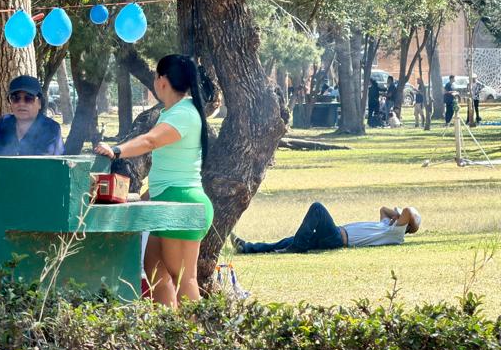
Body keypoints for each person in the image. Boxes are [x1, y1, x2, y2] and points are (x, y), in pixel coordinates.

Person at [94, 54, 214, 307]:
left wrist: (115, 151)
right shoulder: (172, 112)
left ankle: (202, 341)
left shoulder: (184, 113)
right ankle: (167, 332)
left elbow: (151, 141)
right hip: (167, 203)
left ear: (162, 80)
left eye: (156, 76)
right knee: (154, 269)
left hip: (182, 205)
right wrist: (142, 198)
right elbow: (167, 169)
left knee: (184, 279)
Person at [232, 203, 421, 254]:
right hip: (334, 234)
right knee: (288, 241)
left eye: (399, 217)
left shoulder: (396, 234)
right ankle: (248, 247)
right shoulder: (386, 225)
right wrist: (393, 214)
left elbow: (408, 211)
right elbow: (383, 209)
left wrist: (401, 215)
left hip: (337, 239)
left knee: (317, 209)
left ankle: (298, 246)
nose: (396, 216)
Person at [0, 75, 63, 156]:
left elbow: (55, 166)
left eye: (29, 98)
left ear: (39, 103)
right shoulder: (3, 124)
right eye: (15, 98)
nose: (21, 103)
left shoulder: (51, 128)